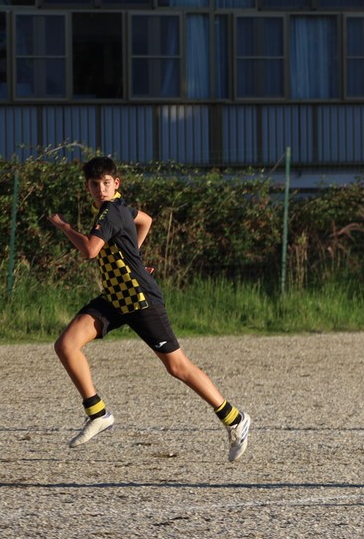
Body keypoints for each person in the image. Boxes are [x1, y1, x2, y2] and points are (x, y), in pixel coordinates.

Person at [48, 155, 251, 462]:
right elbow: (146, 220)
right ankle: (97, 413)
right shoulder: (119, 208)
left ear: (116, 183)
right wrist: (135, 259)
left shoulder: (110, 211)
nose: (101, 189)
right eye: (94, 184)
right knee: (66, 344)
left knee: (177, 367)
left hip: (140, 298)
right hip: (115, 298)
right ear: (87, 187)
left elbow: (90, 250)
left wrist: (64, 227)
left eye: (106, 183)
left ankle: (235, 419)